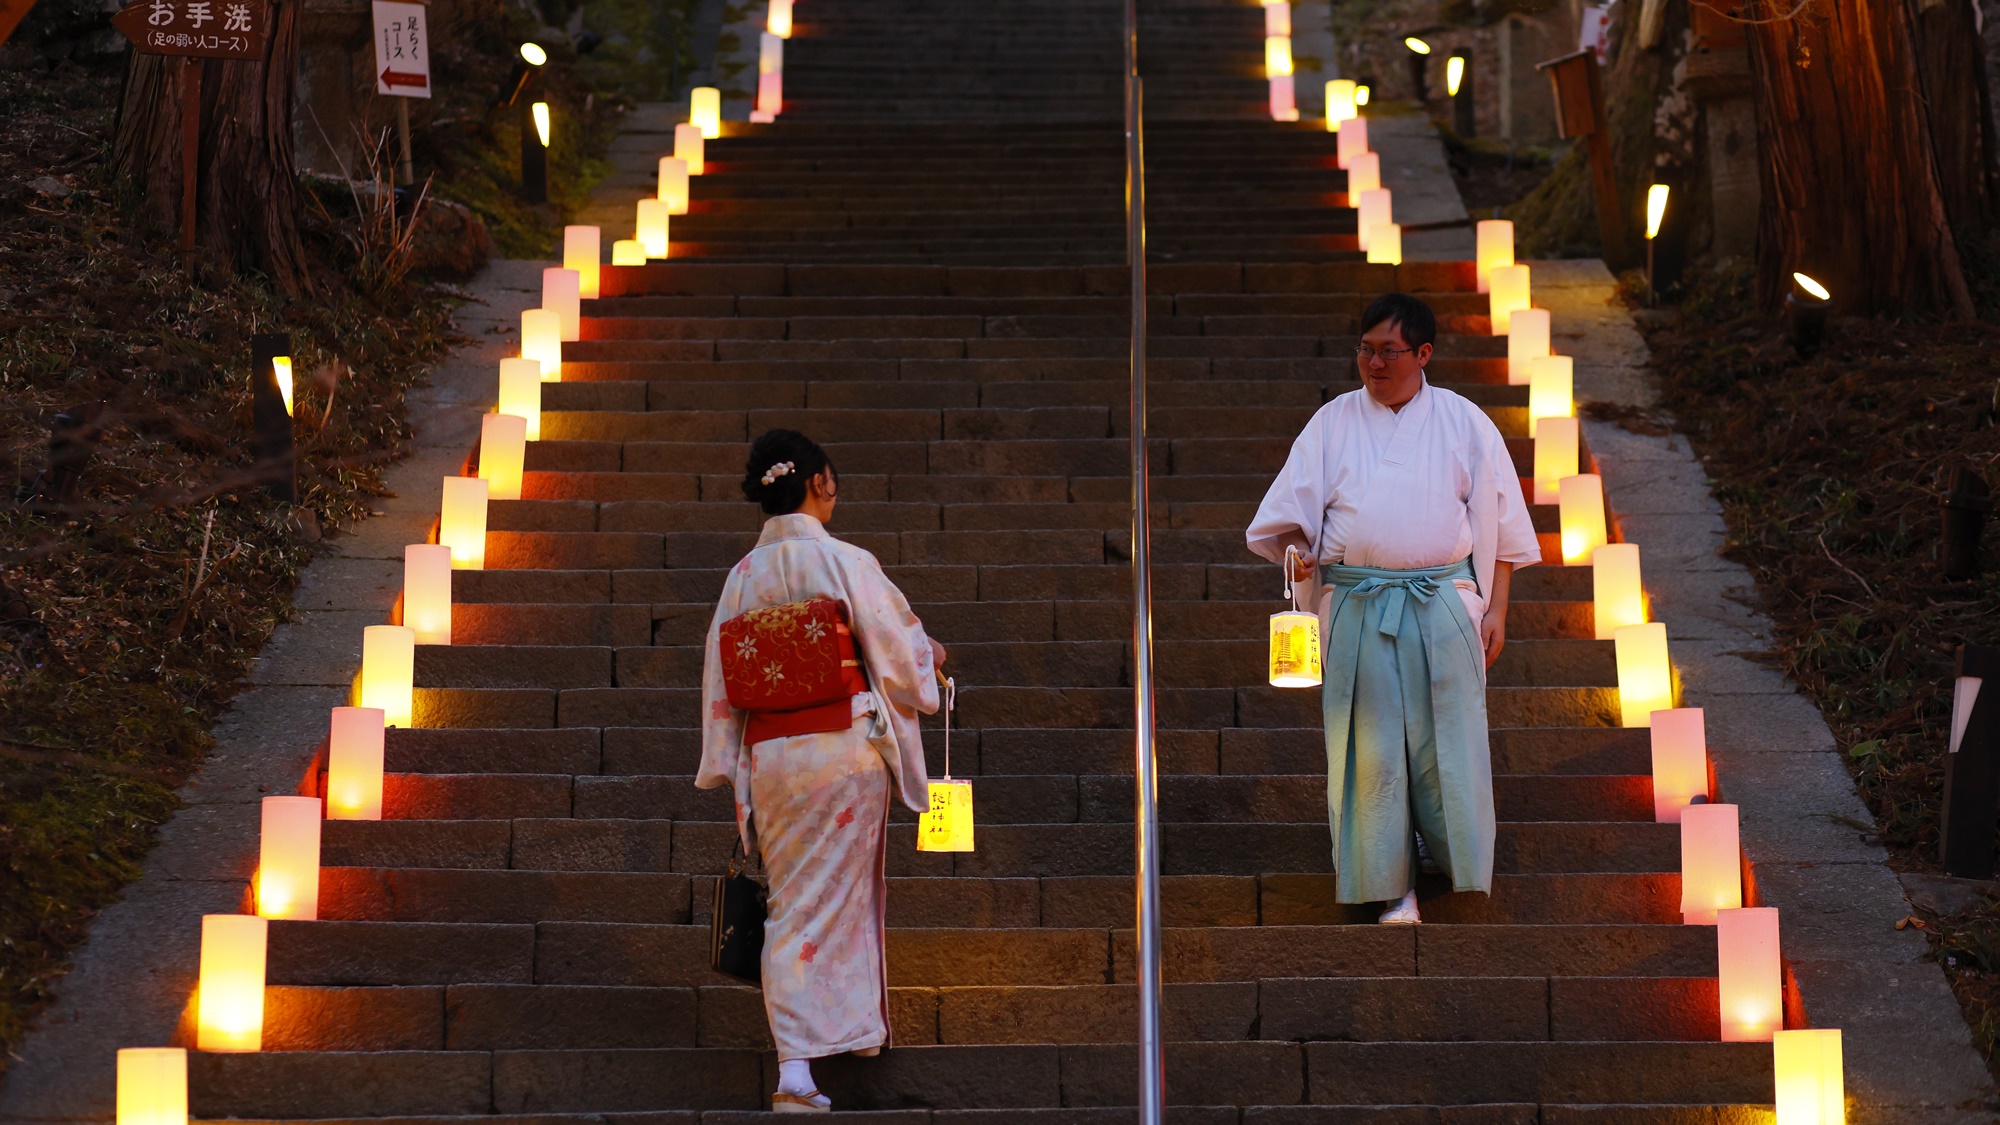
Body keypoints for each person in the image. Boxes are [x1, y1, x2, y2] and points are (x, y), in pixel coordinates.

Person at [1245, 293, 1541, 924]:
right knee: (1369, 748)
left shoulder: (1466, 423)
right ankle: (1388, 882)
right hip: (1356, 599)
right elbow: (1289, 518)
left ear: (1423, 353)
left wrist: (1497, 611)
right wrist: (1300, 553)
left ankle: (1445, 855)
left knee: (1447, 741)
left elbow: (1505, 529)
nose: (1374, 363)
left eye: (1389, 351)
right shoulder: (1331, 423)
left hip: (1444, 598)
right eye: (1366, 350)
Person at [697, 429, 947, 1113]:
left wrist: (729, 762)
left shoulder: (741, 578)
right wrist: (929, 659)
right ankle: (796, 1071)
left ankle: (852, 1028)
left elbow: (722, 679)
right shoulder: (845, 560)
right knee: (827, 899)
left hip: (775, 757)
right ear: (818, 482)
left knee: (798, 896)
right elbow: (898, 651)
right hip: (841, 752)